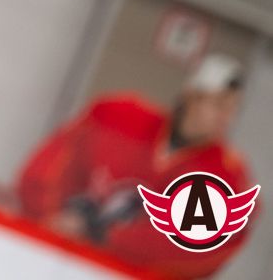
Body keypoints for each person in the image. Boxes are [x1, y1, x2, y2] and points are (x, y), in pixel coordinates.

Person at [17, 54, 257, 278]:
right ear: (191, 96)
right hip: (56, 259)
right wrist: (51, 216)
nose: (225, 117)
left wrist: (104, 235)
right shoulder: (120, 117)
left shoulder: (227, 176)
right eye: (218, 104)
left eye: (232, 109)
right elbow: (48, 168)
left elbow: (199, 249)